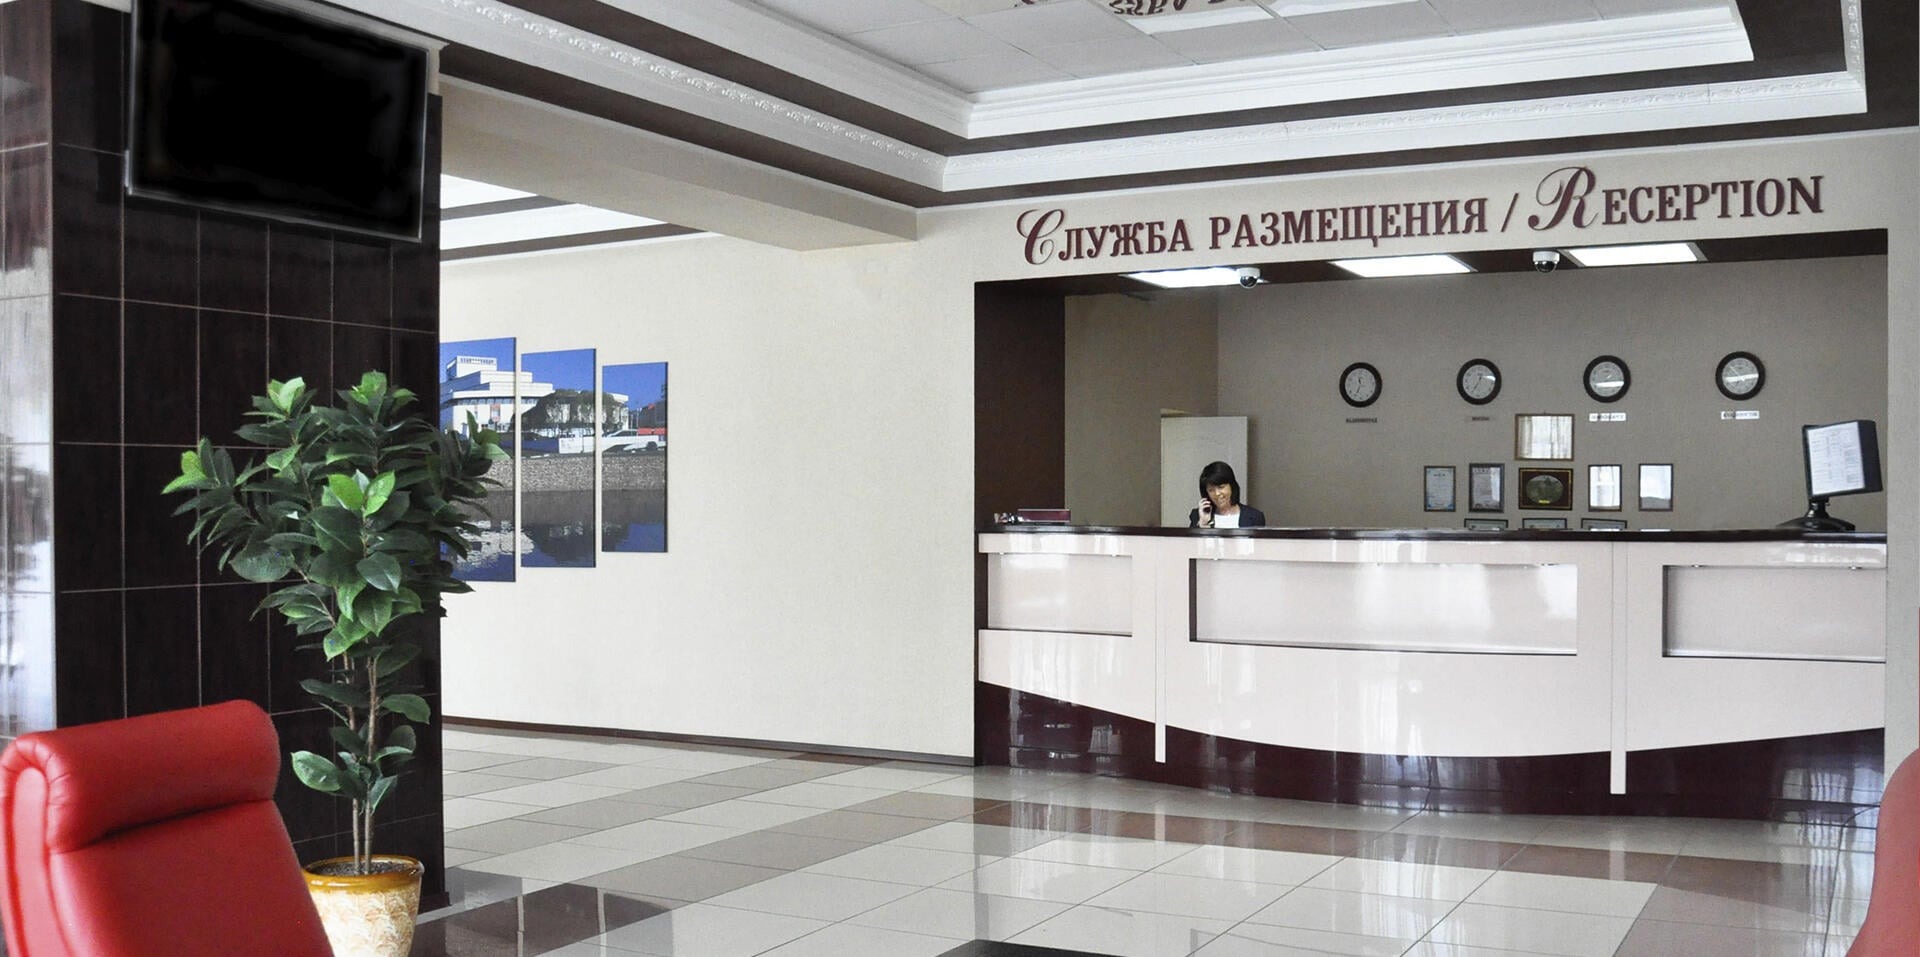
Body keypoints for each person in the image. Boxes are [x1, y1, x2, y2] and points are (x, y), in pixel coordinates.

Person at [1189, 461, 1266, 528]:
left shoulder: (1255, 516)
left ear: (1231, 486)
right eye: (1211, 490)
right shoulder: (1197, 516)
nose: (1217, 493)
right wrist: (1203, 524)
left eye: (1221, 487)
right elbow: (1191, 540)